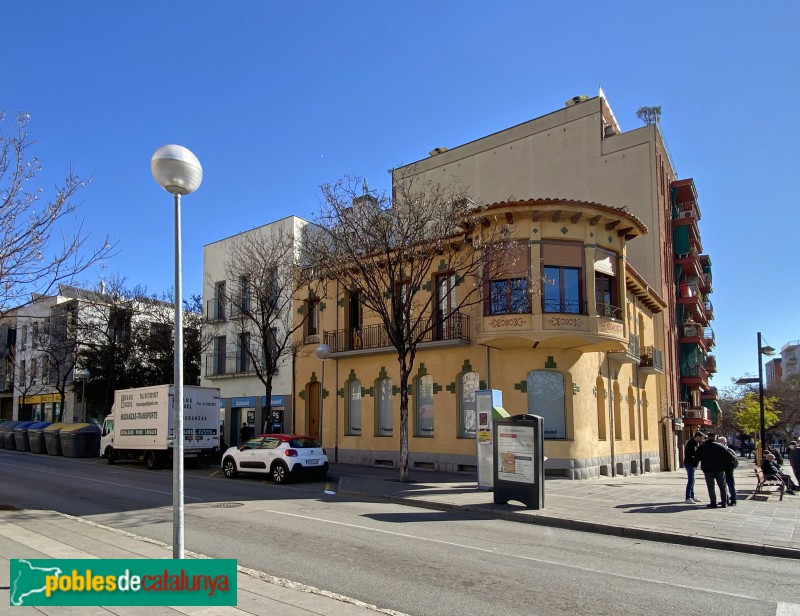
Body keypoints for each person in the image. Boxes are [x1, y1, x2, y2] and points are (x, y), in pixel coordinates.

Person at [696, 432, 729, 508]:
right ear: (715, 437)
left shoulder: (702, 447)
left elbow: (697, 457)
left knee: (711, 487)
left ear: (708, 437)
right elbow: (727, 457)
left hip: (708, 469)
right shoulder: (720, 446)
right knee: (722, 486)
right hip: (719, 469)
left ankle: (713, 502)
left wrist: (695, 464)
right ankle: (724, 503)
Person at [683, 431, 704, 504]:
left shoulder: (694, 443)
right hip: (689, 464)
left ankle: (692, 496)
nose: (701, 440)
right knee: (691, 480)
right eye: (701, 438)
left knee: (693, 481)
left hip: (691, 464)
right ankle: (688, 497)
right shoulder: (691, 444)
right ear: (697, 436)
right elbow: (691, 455)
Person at [717, 436, 738, 506]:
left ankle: (733, 500)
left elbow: (735, 460)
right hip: (722, 470)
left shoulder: (729, 450)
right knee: (723, 486)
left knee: (730, 485)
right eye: (719, 441)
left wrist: (732, 467)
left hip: (728, 470)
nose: (720, 443)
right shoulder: (720, 450)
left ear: (725, 442)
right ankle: (725, 500)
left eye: (721, 441)